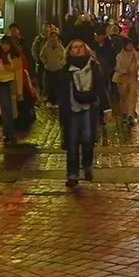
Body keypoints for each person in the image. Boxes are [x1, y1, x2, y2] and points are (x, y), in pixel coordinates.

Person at [56, 38, 109, 188]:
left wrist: (107, 108)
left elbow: (100, 87)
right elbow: (62, 92)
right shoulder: (66, 69)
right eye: (74, 47)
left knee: (87, 140)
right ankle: (72, 174)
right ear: (70, 51)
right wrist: (62, 111)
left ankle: (87, 165)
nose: (78, 49)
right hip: (72, 109)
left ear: (86, 49)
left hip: (89, 108)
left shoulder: (93, 66)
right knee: (72, 142)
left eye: (80, 46)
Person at [0, 37, 31, 141]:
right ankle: (8, 132)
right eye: (3, 44)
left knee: (13, 108)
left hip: (15, 84)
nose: (5, 46)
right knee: (6, 108)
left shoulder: (17, 56)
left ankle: (12, 129)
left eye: (7, 44)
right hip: (1, 83)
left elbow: (24, 69)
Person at [114, 38, 139, 127]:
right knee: (124, 96)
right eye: (128, 44)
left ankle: (130, 115)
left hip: (132, 78)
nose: (130, 46)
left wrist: (138, 64)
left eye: (131, 44)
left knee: (132, 96)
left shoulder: (135, 54)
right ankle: (124, 112)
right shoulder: (120, 56)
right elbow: (117, 67)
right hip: (123, 79)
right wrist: (123, 71)